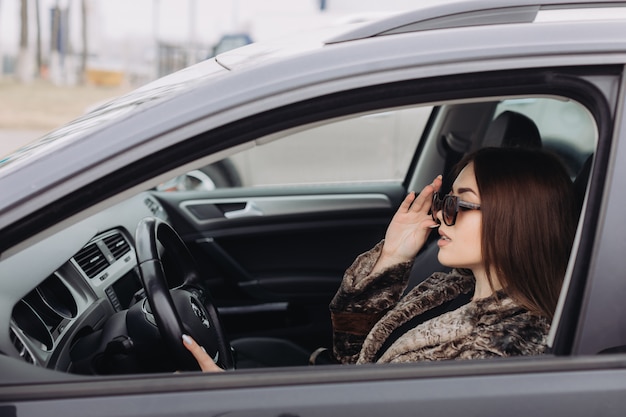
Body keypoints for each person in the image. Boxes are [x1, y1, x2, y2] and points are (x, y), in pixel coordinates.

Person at [183, 146, 577, 370]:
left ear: (515, 220)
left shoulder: (504, 349)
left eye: (460, 204)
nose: (440, 214)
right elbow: (352, 350)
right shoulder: (451, 287)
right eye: (445, 200)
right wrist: (392, 256)